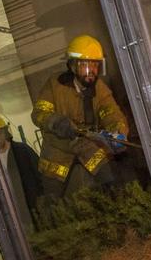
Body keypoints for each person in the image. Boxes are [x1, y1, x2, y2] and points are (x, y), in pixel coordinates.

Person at [31, 34, 129, 198]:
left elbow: (111, 113)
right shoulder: (54, 85)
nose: (91, 72)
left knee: (114, 185)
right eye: (85, 66)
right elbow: (39, 113)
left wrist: (117, 133)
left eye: (95, 66)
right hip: (57, 152)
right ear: (72, 66)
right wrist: (56, 122)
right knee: (52, 202)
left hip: (87, 146)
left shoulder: (100, 89)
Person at [0, 115, 44, 231]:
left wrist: (42, 201)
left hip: (32, 209)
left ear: (5, 132)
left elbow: (40, 175)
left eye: (0, 132)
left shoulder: (22, 151)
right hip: (11, 212)